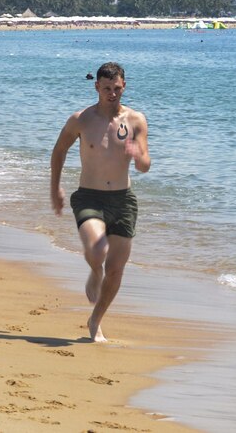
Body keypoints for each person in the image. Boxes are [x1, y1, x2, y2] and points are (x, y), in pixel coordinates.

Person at [49, 62, 150, 343]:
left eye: (116, 88)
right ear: (96, 87)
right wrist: (55, 187)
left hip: (123, 200)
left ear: (124, 86)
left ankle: (96, 320)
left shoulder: (136, 120)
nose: (112, 94)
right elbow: (58, 152)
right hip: (89, 196)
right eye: (106, 88)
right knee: (98, 248)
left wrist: (136, 152)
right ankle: (94, 271)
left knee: (116, 269)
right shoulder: (81, 119)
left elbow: (145, 166)